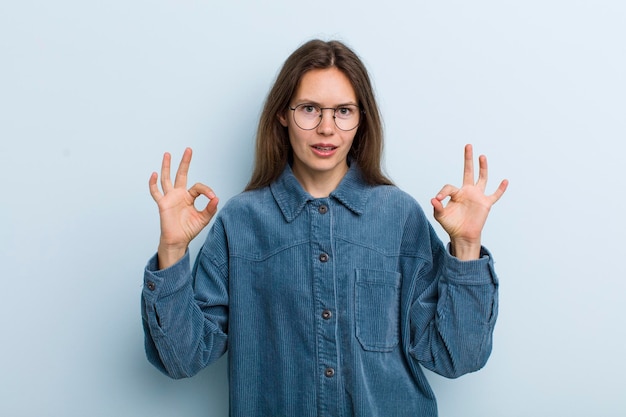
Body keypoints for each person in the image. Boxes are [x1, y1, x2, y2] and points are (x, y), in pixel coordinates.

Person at [141, 39, 508, 417]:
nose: (326, 128)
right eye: (310, 109)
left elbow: (456, 357)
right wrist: (171, 250)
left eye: (343, 111)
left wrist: (466, 247)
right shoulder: (241, 222)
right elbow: (181, 360)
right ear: (283, 114)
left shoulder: (399, 216)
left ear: (361, 119)